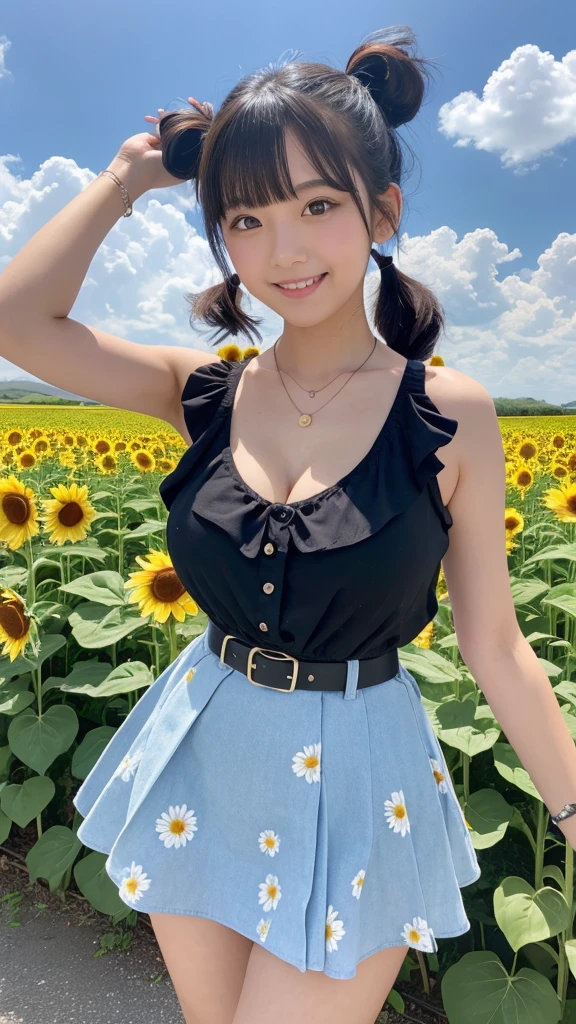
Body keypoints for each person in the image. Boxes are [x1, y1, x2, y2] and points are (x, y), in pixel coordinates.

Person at [1, 25, 575, 1024]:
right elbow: (18, 323)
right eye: (248, 219)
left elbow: (495, 642)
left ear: (382, 211)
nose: (285, 249)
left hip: (360, 774)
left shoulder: (450, 414)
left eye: (317, 205)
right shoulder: (201, 392)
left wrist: (572, 810)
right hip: (207, 751)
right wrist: (124, 183)